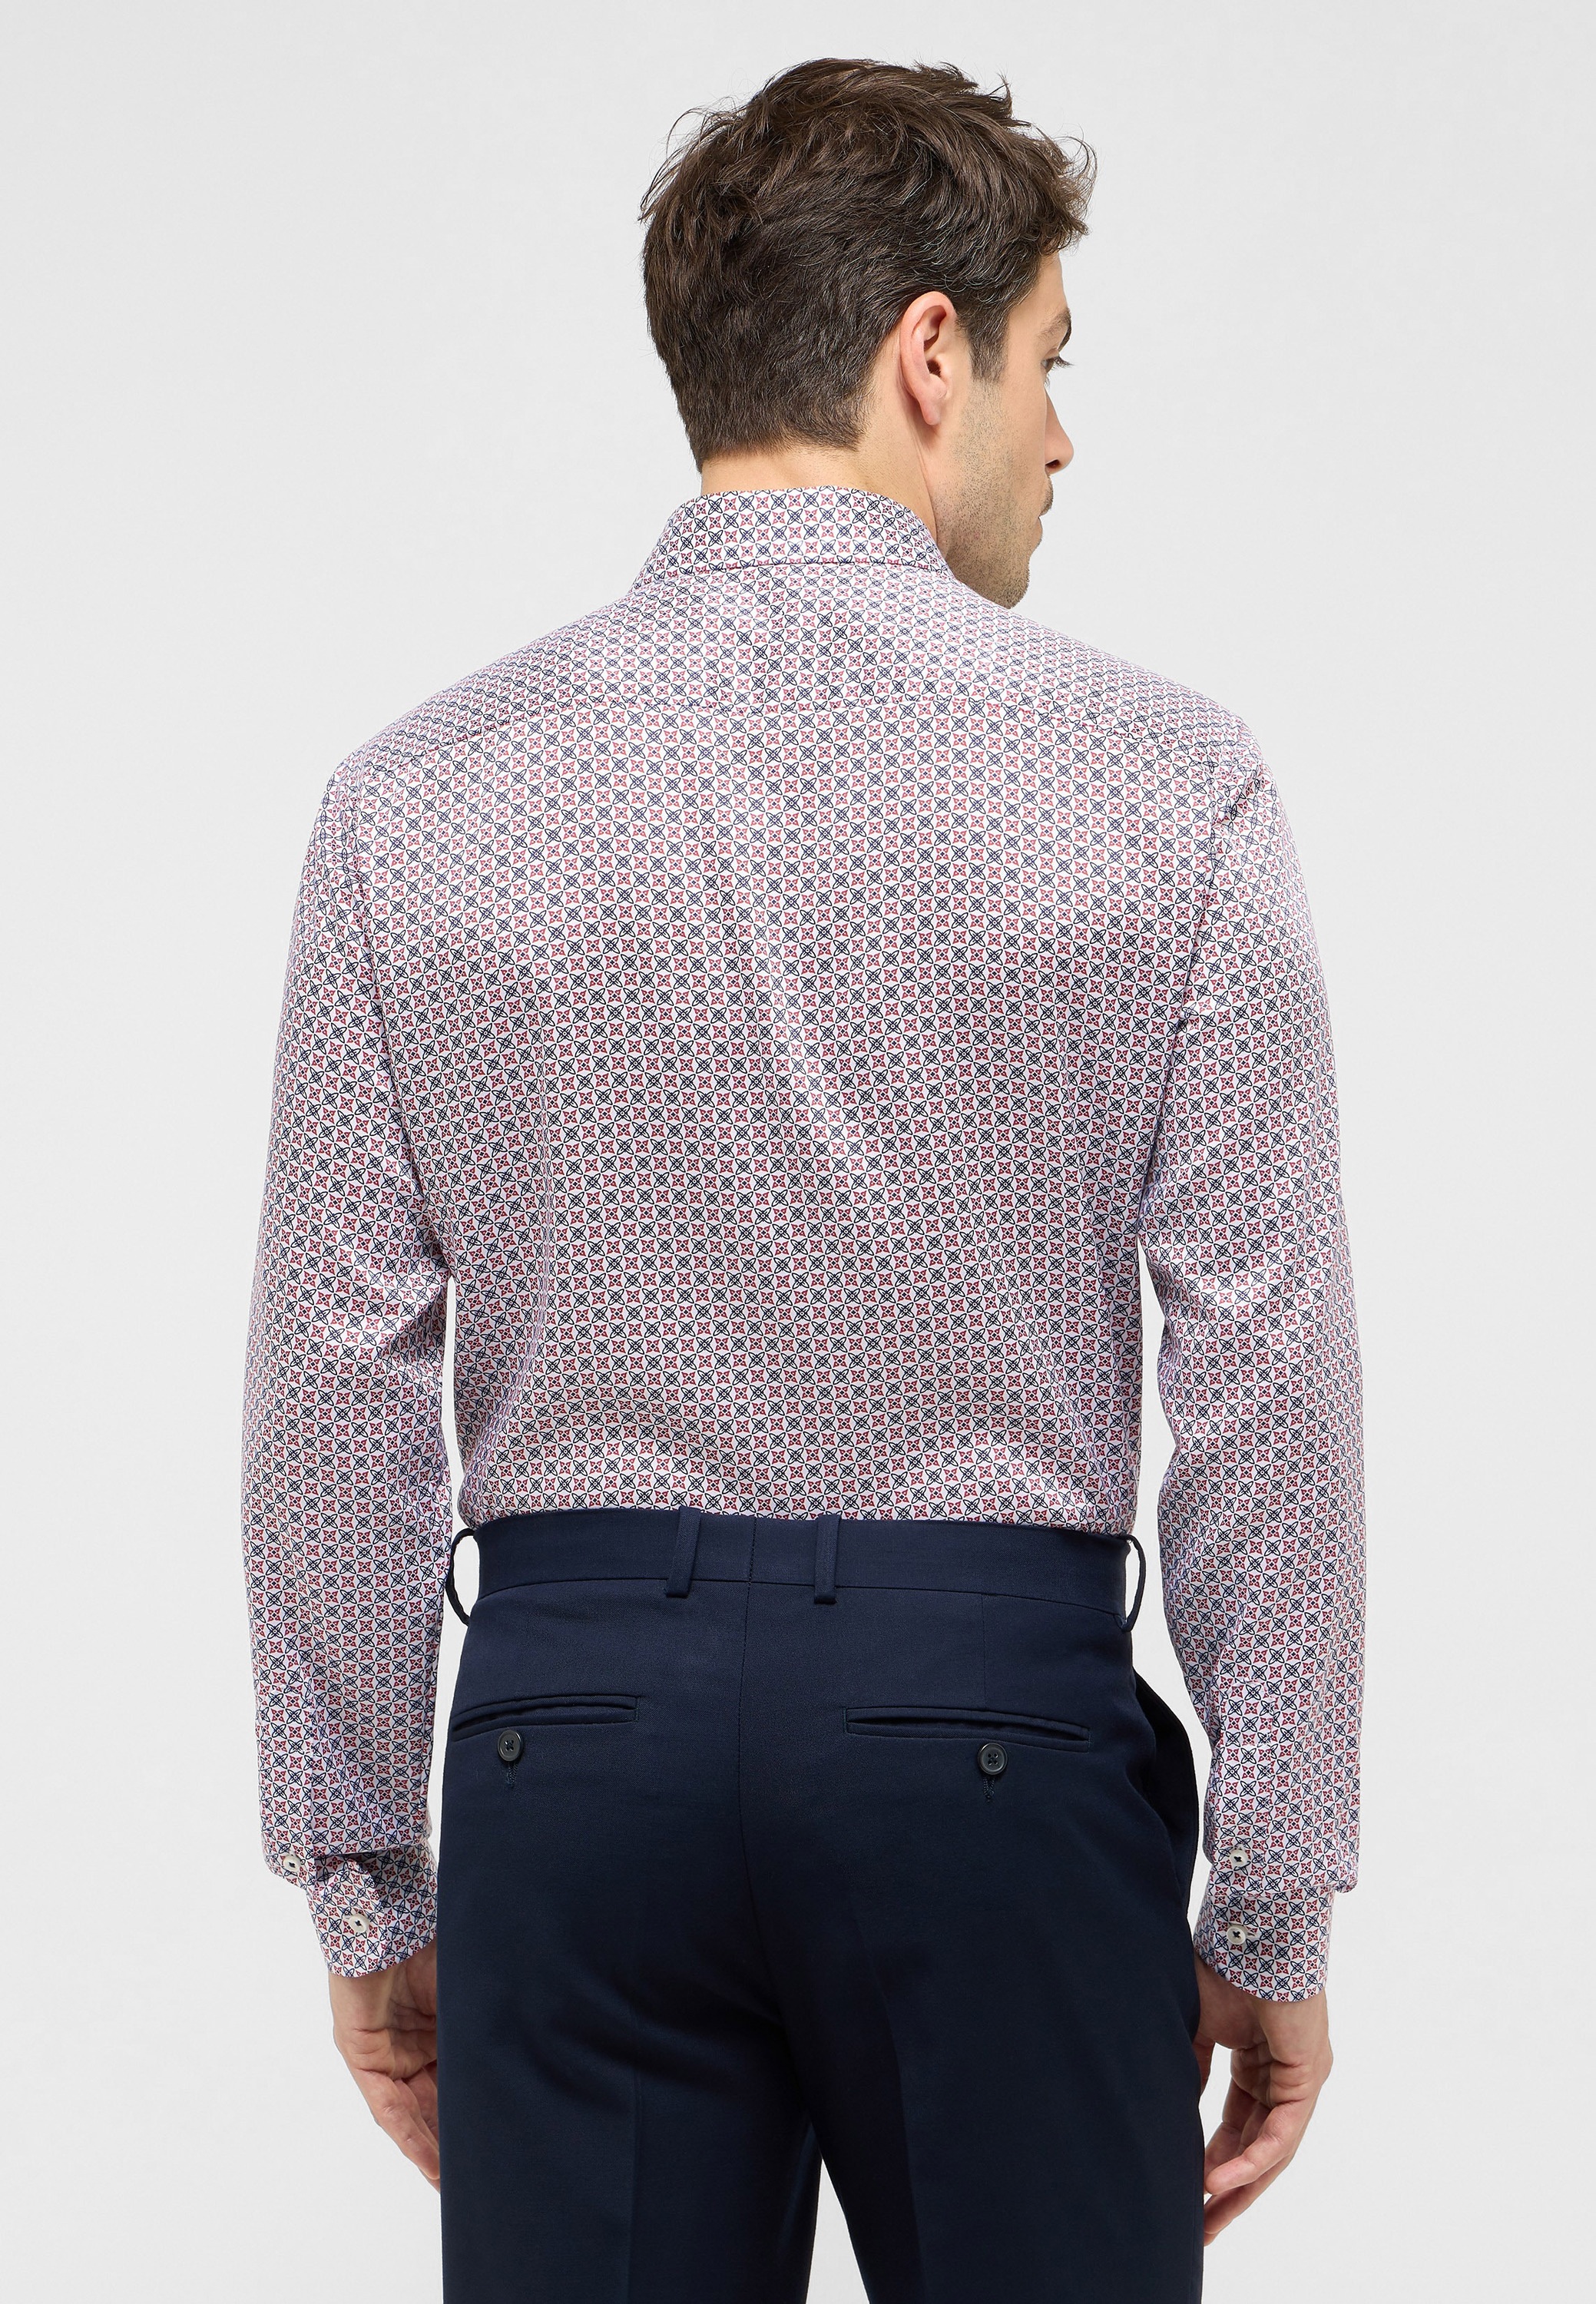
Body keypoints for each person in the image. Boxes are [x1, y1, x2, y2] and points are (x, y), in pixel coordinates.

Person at [242, 57, 1363, 2303]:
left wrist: (366, 1879)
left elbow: (332, 1384)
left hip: (578, 1755)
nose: (1063, 437)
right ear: (928, 355)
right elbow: (1266, 1378)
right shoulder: (1170, 789)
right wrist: (1273, 1894)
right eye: (1049, 362)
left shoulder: (413, 804)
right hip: (995, 1751)